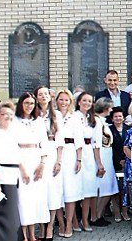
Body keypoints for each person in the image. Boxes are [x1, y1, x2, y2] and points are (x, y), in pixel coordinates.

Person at [0, 102, 25, 241]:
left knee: (12, 213)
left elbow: (17, 155)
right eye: (4, 114)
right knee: (2, 214)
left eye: (10, 114)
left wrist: (23, 171)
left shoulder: (11, 132)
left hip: (13, 176)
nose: (8, 117)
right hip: (0, 177)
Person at [15, 93, 50, 241]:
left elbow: (44, 143)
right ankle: (23, 235)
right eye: (26, 103)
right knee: (23, 199)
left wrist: (42, 164)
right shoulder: (14, 122)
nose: (29, 106)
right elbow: (12, 145)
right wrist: (22, 167)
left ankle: (33, 234)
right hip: (21, 160)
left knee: (36, 197)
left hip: (36, 158)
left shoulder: (39, 121)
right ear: (21, 104)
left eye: (31, 103)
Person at [35, 85, 64, 241]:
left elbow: (60, 140)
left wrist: (59, 161)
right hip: (38, 154)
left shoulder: (57, 115)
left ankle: (50, 227)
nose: (43, 96)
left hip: (53, 153)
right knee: (41, 192)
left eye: (46, 94)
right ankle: (41, 226)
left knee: (53, 192)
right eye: (40, 94)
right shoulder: (33, 114)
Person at [55, 89, 84, 237]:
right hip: (55, 154)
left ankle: (69, 224)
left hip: (71, 153)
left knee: (70, 191)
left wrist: (79, 159)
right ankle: (60, 222)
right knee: (57, 190)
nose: (63, 102)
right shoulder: (52, 116)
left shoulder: (75, 118)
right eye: (61, 99)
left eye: (66, 100)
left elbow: (79, 139)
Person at [76, 91, 102, 231]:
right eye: (84, 100)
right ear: (79, 102)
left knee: (89, 189)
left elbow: (96, 144)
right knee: (75, 190)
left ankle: (85, 220)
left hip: (89, 156)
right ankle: (74, 221)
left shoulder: (94, 120)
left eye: (89, 101)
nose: (86, 103)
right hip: (75, 154)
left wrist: (99, 163)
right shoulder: (74, 117)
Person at [108, 107, 132, 222]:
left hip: (127, 163)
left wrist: (125, 159)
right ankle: (116, 211)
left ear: (123, 117)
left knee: (125, 188)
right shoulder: (109, 130)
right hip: (114, 163)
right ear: (112, 118)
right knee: (115, 189)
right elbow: (109, 147)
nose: (118, 118)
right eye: (115, 116)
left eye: (120, 116)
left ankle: (125, 210)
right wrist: (118, 160)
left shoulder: (129, 129)